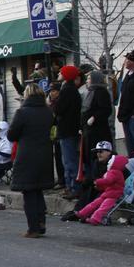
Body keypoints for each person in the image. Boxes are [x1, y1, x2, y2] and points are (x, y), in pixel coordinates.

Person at [8, 83, 54, 237]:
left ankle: (33, 228)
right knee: (38, 190)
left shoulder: (22, 112)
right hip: (45, 153)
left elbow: (11, 135)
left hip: (27, 154)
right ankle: (41, 222)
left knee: (29, 192)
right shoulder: (48, 112)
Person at [54, 65, 83, 199]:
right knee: (70, 160)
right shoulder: (72, 90)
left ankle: (73, 187)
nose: (59, 73)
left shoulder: (67, 90)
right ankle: (70, 186)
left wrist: (54, 101)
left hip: (67, 129)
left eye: (61, 72)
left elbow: (59, 109)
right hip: (71, 129)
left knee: (69, 160)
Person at [77, 154, 129, 226]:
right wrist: (99, 186)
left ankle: (92, 217)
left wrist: (98, 182)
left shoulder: (115, 172)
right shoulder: (113, 172)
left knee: (102, 207)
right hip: (109, 193)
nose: (108, 163)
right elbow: (108, 184)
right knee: (95, 203)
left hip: (113, 195)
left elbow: (108, 181)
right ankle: (83, 213)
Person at [81, 70, 113, 183]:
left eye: (89, 79)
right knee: (88, 156)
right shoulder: (89, 92)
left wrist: (95, 117)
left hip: (98, 131)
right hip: (88, 130)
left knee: (96, 156)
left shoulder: (101, 92)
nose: (87, 81)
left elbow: (106, 109)